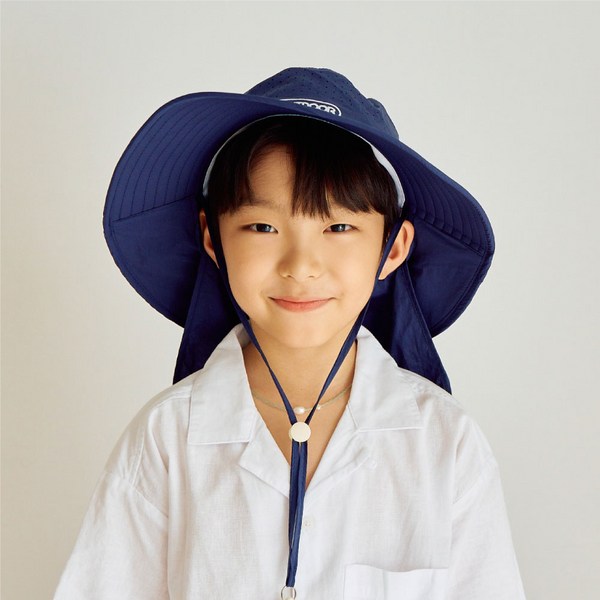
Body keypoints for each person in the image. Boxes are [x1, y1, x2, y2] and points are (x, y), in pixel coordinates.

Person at [54, 68, 526, 599]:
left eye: (338, 227)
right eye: (263, 227)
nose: (300, 265)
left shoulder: (446, 443)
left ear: (392, 248)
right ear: (213, 240)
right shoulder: (165, 440)